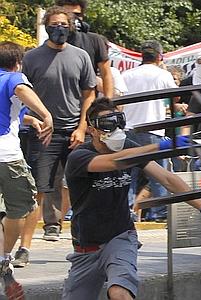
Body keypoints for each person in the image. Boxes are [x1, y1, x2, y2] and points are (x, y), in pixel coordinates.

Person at [62, 97, 201, 299]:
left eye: (119, 123)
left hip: (119, 237)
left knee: (119, 292)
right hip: (86, 246)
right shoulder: (79, 157)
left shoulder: (128, 147)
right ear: (92, 130)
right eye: (107, 125)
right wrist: (159, 147)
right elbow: (114, 162)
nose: (115, 130)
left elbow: (167, 178)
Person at [16, 6, 96, 266]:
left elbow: (89, 95)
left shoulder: (81, 56)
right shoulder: (31, 58)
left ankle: (81, 243)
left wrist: (83, 127)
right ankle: (24, 249)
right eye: (54, 24)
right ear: (46, 26)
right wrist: (31, 120)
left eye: (64, 24)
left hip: (74, 131)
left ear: (71, 26)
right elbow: (19, 93)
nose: (59, 28)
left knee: (80, 187)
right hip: (41, 133)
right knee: (37, 189)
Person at [0, 41, 55, 298]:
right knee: (22, 207)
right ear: (18, 62)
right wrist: (45, 115)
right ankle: (3, 259)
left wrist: (29, 119)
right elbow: (20, 88)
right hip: (6, 156)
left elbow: (9, 111)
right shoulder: (14, 77)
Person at [121, 40, 186, 222]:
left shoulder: (128, 74)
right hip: (153, 130)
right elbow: (175, 96)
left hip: (128, 129)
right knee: (158, 173)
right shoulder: (163, 75)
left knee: (129, 173)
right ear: (159, 56)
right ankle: (160, 213)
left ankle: (127, 212)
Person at [56, 0, 114, 98]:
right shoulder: (53, 41)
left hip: (88, 103)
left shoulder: (95, 40)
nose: (72, 18)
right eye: (68, 14)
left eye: (76, 14)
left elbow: (106, 74)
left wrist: (108, 101)